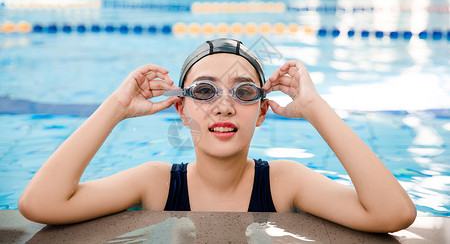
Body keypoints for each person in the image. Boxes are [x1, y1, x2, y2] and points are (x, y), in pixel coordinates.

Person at [18, 38, 416, 232]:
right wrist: (116, 108)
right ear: (181, 108)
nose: (223, 107)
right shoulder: (155, 183)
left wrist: (315, 109)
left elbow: (393, 214)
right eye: (205, 92)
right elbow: (40, 204)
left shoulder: (284, 182)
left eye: (243, 93)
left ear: (262, 112)